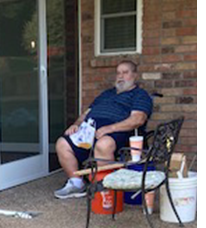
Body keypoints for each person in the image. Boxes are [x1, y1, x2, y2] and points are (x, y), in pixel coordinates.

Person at [54, 60, 153, 198]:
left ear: (135, 75)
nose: (120, 76)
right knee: (62, 143)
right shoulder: (106, 94)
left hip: (118, 131)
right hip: (89, 129)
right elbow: (85, 114)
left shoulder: (140, 95)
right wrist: (76, 124)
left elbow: (137, 119)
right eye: (118, 73)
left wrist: (109, 128)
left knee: (103, 144)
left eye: (125, 72)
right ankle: (76, 183)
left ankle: (104, 188)